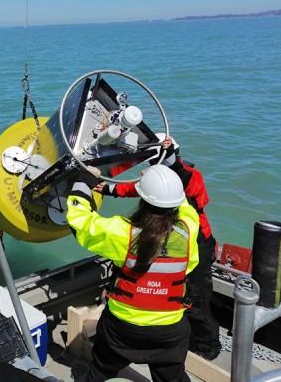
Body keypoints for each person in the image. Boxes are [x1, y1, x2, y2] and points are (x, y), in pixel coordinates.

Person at [67, 164, 200, 382]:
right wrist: (163, 181)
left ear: (141, 198)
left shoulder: (122, 232)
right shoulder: (189, 227)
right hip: (170, 331)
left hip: (121, 329)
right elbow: (183, 206)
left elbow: (81, 223)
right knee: (173, 378)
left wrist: (84, 182)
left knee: (100, 372)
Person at [94, 134, 222, 360]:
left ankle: (207, 346)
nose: (154, 169)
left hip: (196, 244)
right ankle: (173, 334)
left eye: (157, 162)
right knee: (173, 293)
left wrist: (168, 156)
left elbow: (180, 178)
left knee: (196, 300)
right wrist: (106, 189)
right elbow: (135, 189)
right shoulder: (159, 181)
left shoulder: (191, 176)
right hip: (168, 243)